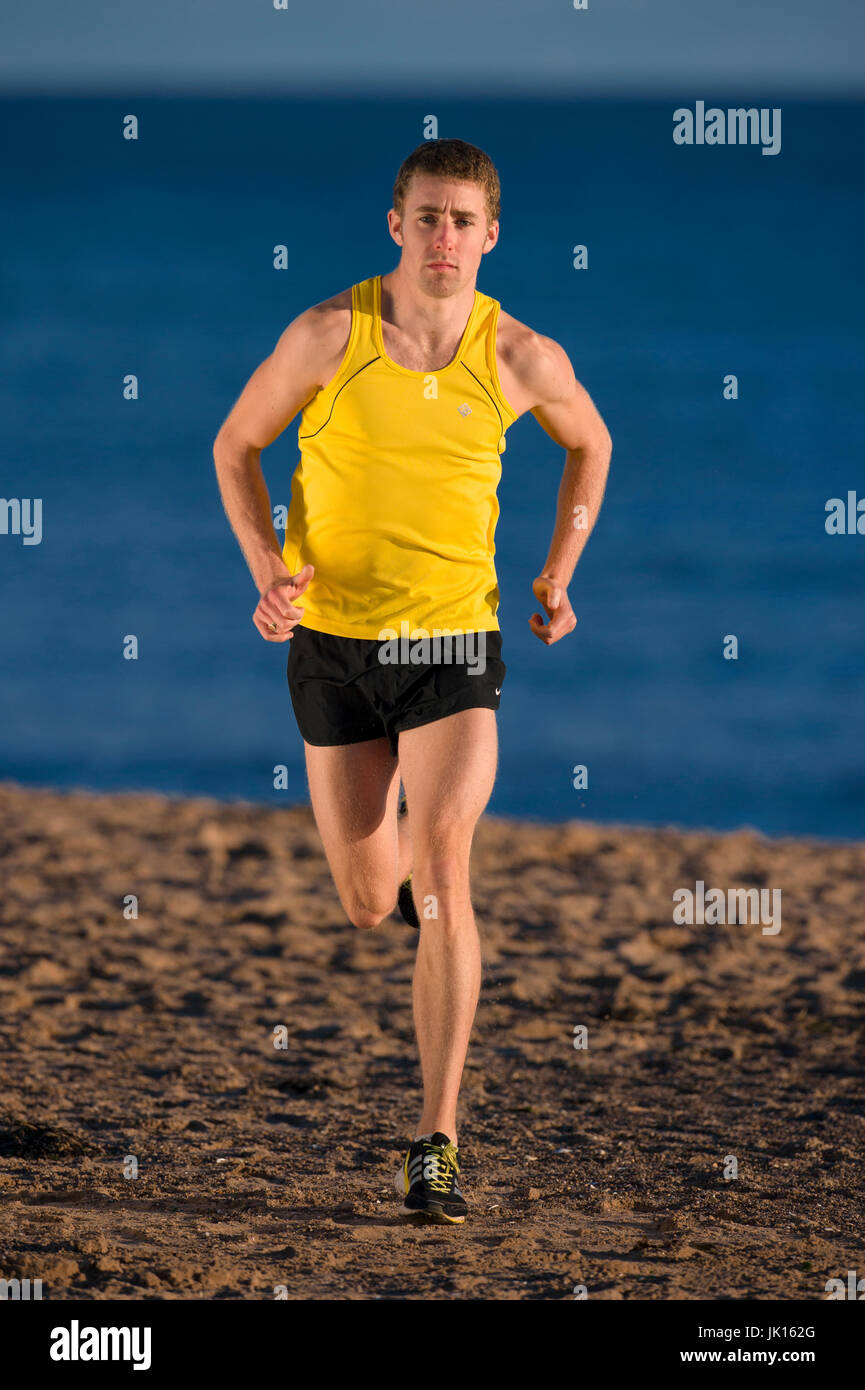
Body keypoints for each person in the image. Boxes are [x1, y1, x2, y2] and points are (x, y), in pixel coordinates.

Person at [213, 138, 612, 1223]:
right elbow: (236, 445)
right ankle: (424, 918)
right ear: (396, 226)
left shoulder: (520, 355)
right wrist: (266, 571)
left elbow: (592, 444)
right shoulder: (327, 336)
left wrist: (559, 569)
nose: (445, 239)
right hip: (333, 646)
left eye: (463, 221)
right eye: (427, 217)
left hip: (451, 649)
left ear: (492, 235)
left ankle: (435, 1140)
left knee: (443, 868)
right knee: (363, 901)